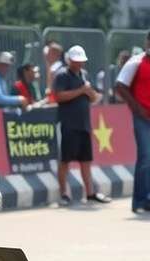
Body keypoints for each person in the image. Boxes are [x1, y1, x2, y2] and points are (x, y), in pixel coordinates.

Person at [53, 45, 109, 205]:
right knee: (65, 160)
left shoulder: (84, 75)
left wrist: (90, 93)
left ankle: (90, 193)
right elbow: (59, 96)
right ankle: (64, 193)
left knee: (86, 160)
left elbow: (93, 97)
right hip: (67, 124)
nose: (79, 64)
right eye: (76, 61)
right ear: (69, 60)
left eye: (81, 61)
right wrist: (81, 90)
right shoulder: (62, 75)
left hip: (84, 124)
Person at [115, 31, 150, 213]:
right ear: (147, 42)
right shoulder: (136, 62)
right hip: (143, 117)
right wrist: (137, 108)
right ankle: (139, 201)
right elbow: (120, 86)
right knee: (145, 158)